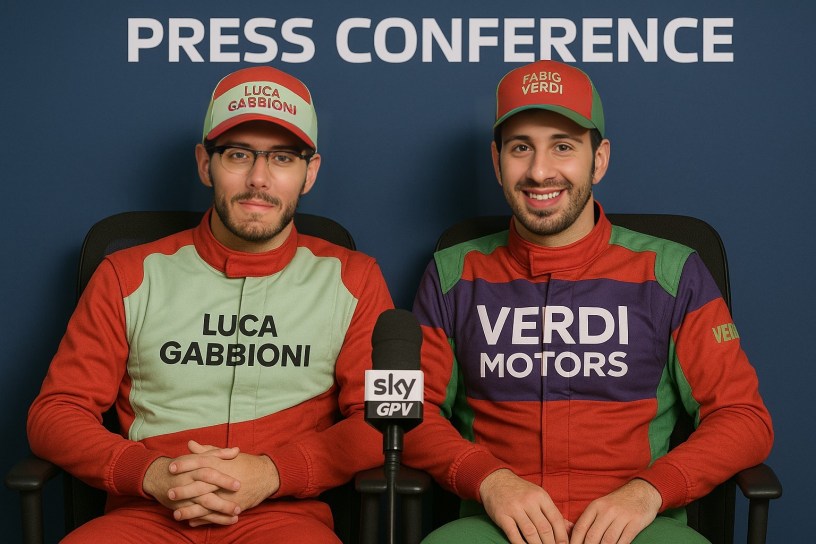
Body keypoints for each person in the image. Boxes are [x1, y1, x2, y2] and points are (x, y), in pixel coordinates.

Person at [405, 59, 773, 544]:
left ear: (598, 159)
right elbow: (408, 413)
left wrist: (649, 491)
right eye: (520, 148)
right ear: (496, 162)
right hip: (493, 525)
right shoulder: (452, 273)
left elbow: (744, 418)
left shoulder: (672, 271)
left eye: (563, 146)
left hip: (639, 528)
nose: (539, 171)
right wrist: (489, 481)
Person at [27, 66, 393, 543]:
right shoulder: (126, 274)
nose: (258, 179)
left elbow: (383, 421)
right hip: (146, 515)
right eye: (238, 154)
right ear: (205, 164)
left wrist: (272, 472)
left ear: (310, 172)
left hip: (283, 519)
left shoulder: (356, 279)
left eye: (283, 158)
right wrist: (151, 473)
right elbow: (55, 412)